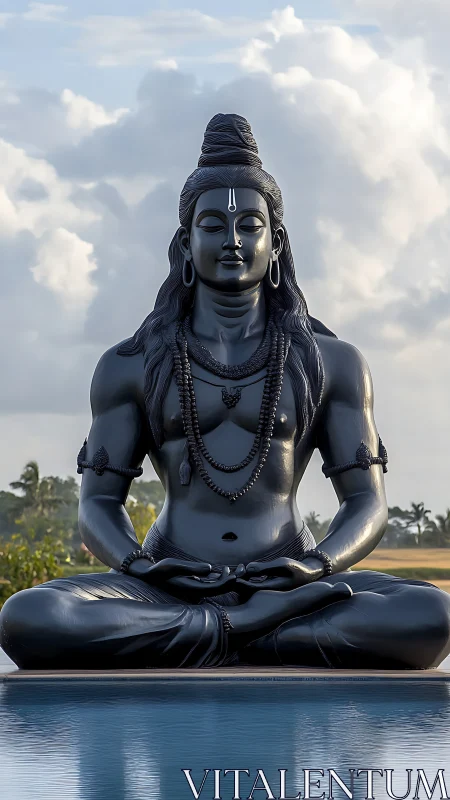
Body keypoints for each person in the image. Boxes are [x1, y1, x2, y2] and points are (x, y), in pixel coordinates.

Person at [1, 113, 449, 670]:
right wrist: (140, 566)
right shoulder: (131, 364)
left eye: (249, 226)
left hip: (289, 578)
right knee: (32, 616)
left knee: (431, 615)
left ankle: (214, 634)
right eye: (212, 225)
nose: (232, 241)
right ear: (185, 243)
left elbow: (366, 502)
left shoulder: (332, 362)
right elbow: (97, 504)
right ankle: (252, 631)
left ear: (276, 241)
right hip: (172, 581)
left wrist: (318, 568)